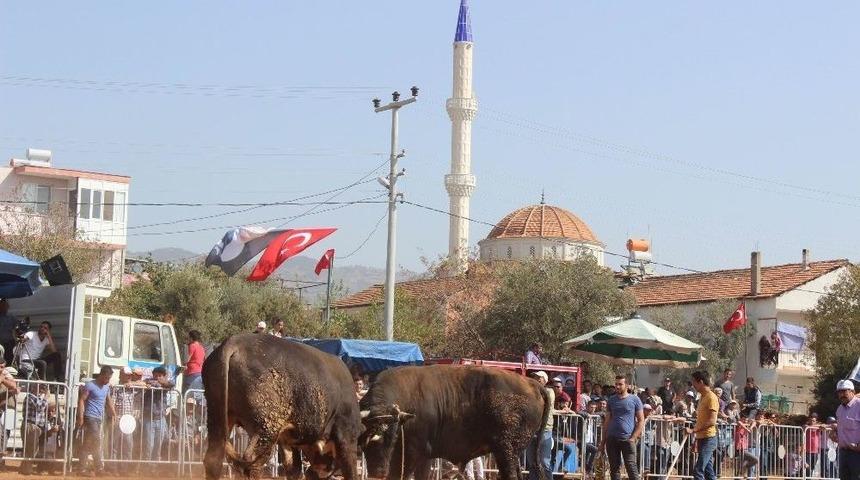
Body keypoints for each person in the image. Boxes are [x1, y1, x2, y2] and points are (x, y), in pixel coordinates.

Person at [600, 375, 643, 480]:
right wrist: (602, 442)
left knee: (631, 468)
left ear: (627, 385)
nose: (617, 386)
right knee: (614, 469)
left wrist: (633, 438)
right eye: (616, 384)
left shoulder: (635, 399)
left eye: (620, 384)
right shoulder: (611, 400)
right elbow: (607, 421)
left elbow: (641, 420)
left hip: (627, 439)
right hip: (612, 438)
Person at [77, 366, 115, 475]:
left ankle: (81, 469)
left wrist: (113, 413)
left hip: (99, 418)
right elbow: (82, 400)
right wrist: (80, 417)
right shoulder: (90, 385)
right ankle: (99, 468)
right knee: (96, 441)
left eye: (109, 378)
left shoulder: (106, 387)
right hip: (90, 416)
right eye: (106, 378)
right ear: (101, 375)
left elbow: (108, 400)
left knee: (88, 443)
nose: (107, 380)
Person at [686, 371, 719, 480]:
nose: (693, 386)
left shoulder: (711, 398)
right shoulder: (702, 397)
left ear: (700, 382)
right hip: (702, 438)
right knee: (708, 472)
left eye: (694, 382)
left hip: (709, 439)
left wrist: (693, 430)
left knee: (698, 470)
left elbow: (711, 421)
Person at [142, 366, 175, 462]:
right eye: (155, 375)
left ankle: (154, 467)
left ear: (164, 376)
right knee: (149, 445)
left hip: (161, 419)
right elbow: (143, 383)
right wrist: (155, 383)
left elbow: (171, 384)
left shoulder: (167, 384)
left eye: (160, 376)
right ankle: (146, 465)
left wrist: (160, 382)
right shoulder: (148, 381)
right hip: (149, 418)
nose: (157, 377)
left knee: (157, 446)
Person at [831, 379, 860, 480]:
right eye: (839, 392)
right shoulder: (839, 409)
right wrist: (834, 432)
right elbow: (841, 427)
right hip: (843, 453)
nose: (841, 395)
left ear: (852, 391)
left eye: (844, 391)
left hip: (857, 454)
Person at [528, 371, 554, 480]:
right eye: (535, 377)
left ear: (544, 379)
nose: (536, 379)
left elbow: (541, 401)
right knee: (532, 462)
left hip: (545, 431)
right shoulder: (531, 391)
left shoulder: (549, 391)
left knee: (544, 462)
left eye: (539, 377)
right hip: (532, 431)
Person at [0, 299, 17, 366]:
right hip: (0, 343)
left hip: (9, 343)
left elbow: (17, 328)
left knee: (9, 360)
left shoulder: (12, 317)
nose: (4, 307)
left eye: (5, 305)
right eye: (2, 305)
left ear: (8, 306)